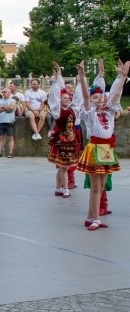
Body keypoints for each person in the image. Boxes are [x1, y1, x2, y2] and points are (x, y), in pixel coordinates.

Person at [76, 59, 127, 230]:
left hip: (107, 149)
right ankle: (95, 219)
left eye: (100, 96)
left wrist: (122, 76)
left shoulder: (109, 111)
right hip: (95, 148)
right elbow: (84, 96)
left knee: (100, 186)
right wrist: (82, 78)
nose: (99, 99)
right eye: (95, 97)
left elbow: (116, 95)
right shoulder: (89, 114)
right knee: (96, 186)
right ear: (91, 100)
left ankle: (91, 217)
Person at [47, 63, 81, 198]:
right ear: (60, 100)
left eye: (68, 98)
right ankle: (65, 188)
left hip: (70, 141)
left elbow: (78, 97)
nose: (67, 99)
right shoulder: (58, 110)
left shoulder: (72, 109)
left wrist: (80, 80)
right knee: (63, 167)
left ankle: (57, 188)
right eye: (64, 98)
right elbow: (54, 97)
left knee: (62, 167)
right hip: (61, 141)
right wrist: (58, 78)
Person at [0, 87, 16, 158]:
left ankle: (10, 152)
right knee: (0, 137)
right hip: (1, 121)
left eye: (5, 92)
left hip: (9, 121)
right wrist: (6, 108)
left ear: (9, 92)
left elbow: (11, 108)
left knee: (10, 137)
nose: (3, 93)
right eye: (3, 92)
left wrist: (2, 107)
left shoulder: (12, 100)